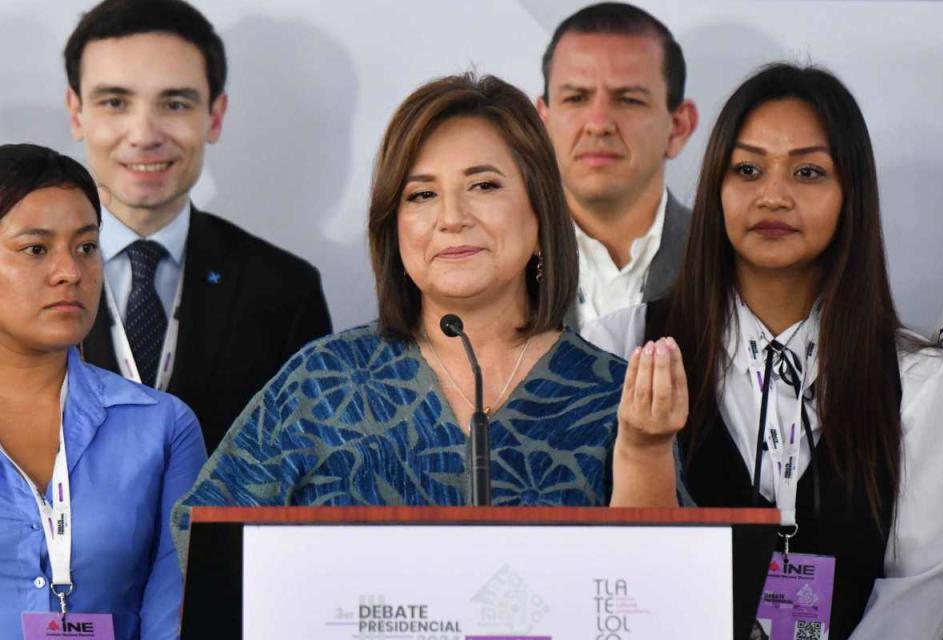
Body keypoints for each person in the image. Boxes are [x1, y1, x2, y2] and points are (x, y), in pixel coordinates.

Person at [172, 72, 689, 559]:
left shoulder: (610, 395)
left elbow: (663, 594)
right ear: (394, 230)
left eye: (484, 186)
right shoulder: (322, 382)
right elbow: (205, 538)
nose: (452, 218)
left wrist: (645, 451)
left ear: (540, 212)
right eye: (422, 195)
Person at [641, 64, 943, 638]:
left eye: (808, 171)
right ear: (716, 186)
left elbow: (920, 591)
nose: (773, 196)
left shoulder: (920, 381)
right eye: (747, 169)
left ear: (850, 195)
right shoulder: (629, 343)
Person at [64, 0, 333, 453]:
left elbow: (312, 471)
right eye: (115, 102)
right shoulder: (12, 278)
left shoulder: (285, 291)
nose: (144, 134)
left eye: (174, 103)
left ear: (214, 115)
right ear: (77, 114)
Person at [0, 144, 206, 639]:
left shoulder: (162, 426)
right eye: (36, 249)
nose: (71, 271)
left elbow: (175, 613)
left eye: (87, 246)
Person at [536, 2, 698, 358]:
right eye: (576, 98)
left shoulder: (728, 262)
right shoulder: (498, 266)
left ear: (679, 126)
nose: (598, 123)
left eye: (628, 99)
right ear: (543, 124)